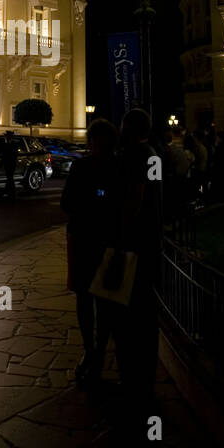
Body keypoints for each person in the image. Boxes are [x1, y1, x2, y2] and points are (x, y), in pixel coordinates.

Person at [111, 108, 162, 430]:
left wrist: (119, 239)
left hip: (134, 246)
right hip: (151, 243)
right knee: (146, 315)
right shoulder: (153, 153)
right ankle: (144, 379)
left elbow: (135, 198)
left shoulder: (136, 155)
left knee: (128, 315)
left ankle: (132, 380)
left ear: (129, 130)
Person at [60, 118, 119, 382]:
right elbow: (67, 202)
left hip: (93, 241)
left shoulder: (90, 166)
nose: (99, 145)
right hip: (91, 240)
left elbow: (69, 203)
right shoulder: (90, 166)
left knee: (96, 300)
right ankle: (92, 350)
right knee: (91, 299)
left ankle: (94, 352)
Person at [0, 131, 18, 199]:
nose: (6, 137)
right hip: (7, 163)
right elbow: (3, 154)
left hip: (11, 163)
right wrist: (2, 163)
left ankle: (9, 192)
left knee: (10, 178)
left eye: (7, 136)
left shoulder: (13, 144)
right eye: (6, 136)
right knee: (9, 178)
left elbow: (14, 154)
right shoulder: (5, 144)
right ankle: (9, 192)